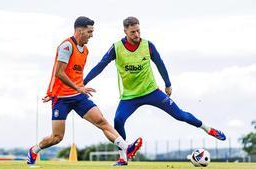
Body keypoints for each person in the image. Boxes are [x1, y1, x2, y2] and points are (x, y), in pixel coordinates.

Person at [84, 16, 226, 166]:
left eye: (138, 30)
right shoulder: (116, 48)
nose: (136, 35)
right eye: (132, 32)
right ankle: (123, 158)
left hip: (152, 92)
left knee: (180, 115)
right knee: (118, 120)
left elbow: (160, 64)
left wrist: (168, 84)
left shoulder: (148, 45)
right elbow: (100, 66)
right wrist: (83, 83)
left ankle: (208, 129)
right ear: (125, 31)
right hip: (129, 96)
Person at [27, 16, 143, 165]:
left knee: (102, 121)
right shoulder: (66, 46)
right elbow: (59, 73)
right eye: (89, 31)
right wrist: (54, 92)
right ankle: (34, 150)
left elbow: (74, 75)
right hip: (61, 98)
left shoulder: (85, 50)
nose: (92, 35)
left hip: (78, 96)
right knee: (57, 137)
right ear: (80, 31)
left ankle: (126, 148)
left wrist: (78, 87)